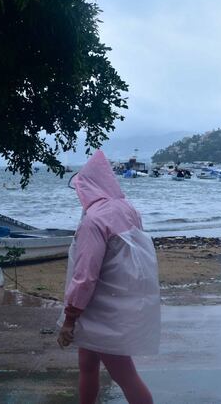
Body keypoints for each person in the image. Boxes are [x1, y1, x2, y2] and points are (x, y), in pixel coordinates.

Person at [58, 150, 160, 404]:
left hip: (102, 308)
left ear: (87, 188)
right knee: (87, 363)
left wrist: (70, 318)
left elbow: (85, 275)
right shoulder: (126, 208)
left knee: (123, 373)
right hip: (118, 299)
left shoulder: (94, 220)